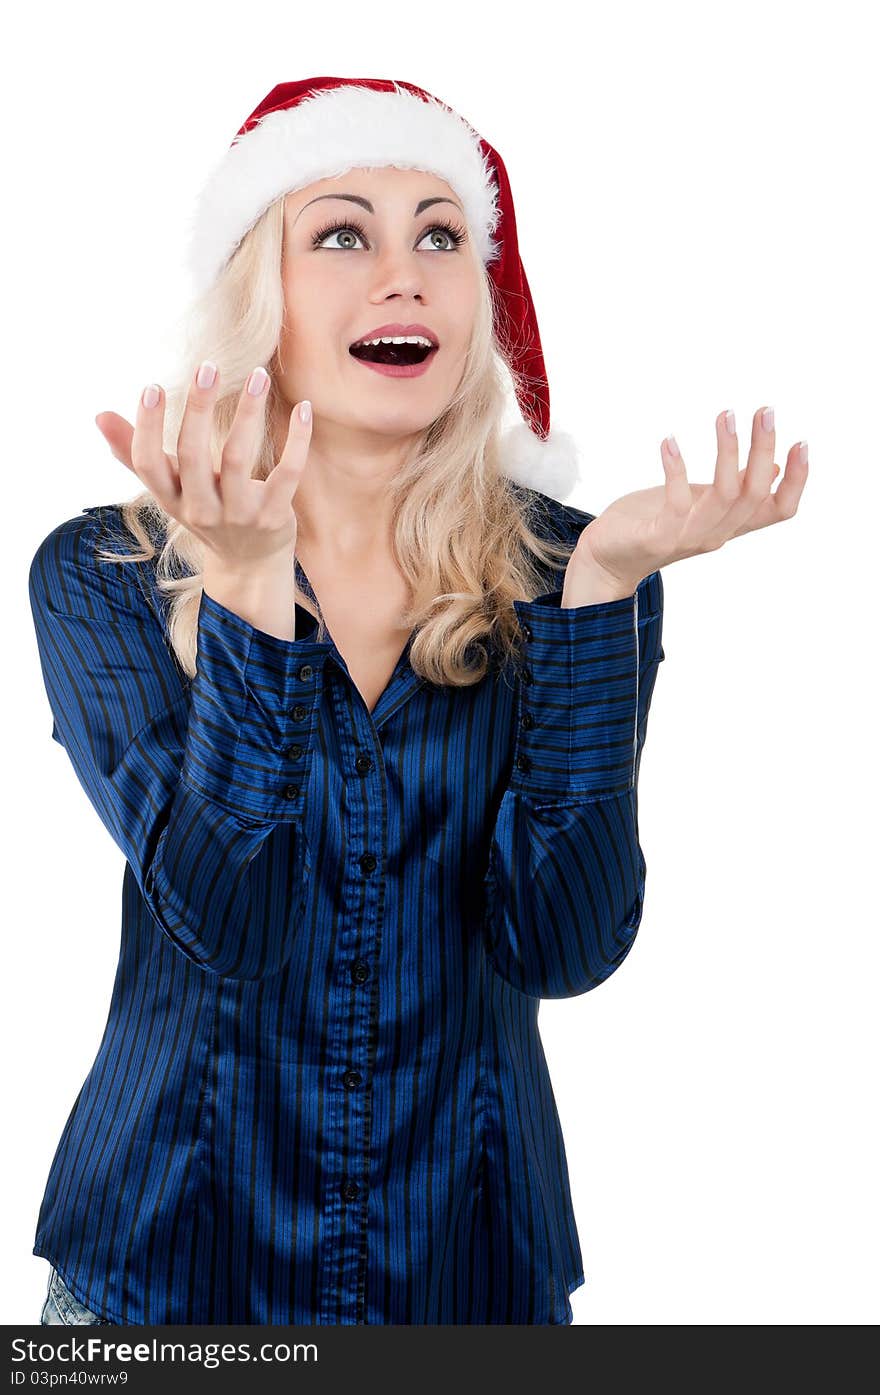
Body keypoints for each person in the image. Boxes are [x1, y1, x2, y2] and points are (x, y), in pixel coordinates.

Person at [27, 77, 807, 1328]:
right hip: (167, 1278)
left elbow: (563, 946)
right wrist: (241, 589)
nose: (405, 275)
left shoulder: (571, 570)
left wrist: (602, 594)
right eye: (343, 233)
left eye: (440, 236)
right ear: (258, 298)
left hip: (470, 1274)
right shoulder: (107, 574)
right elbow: (229, 919)